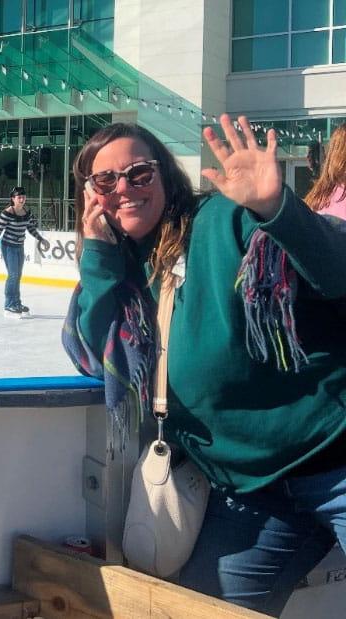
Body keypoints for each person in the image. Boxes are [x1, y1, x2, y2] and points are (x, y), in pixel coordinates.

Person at [63, 114, 346, 617]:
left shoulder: (224, 221)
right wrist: (100, 260)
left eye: (139, 173)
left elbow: (335, 270)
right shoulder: (121, 272)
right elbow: (91, 353)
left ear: (166, 178)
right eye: (105, 180)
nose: (124, 188)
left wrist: (275, 208)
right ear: (90, 194)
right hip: (250, 493)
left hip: (333, 459)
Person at [0, 187, 48, 316]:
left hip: (20, 246)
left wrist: (41, 239)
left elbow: (30, 228)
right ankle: (9, 305)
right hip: (8, 247)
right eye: (19, 197)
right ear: (13, 199)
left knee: (17, 275)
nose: (22, 199)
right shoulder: (7, 213)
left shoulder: (27, 212)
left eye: (23, 197)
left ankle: (16, 302)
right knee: (13, 275)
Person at [305, 123, 346, 219]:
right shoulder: (321, 196)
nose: (307, 157)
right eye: (309, 153)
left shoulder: (318, 196)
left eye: (311, 153)